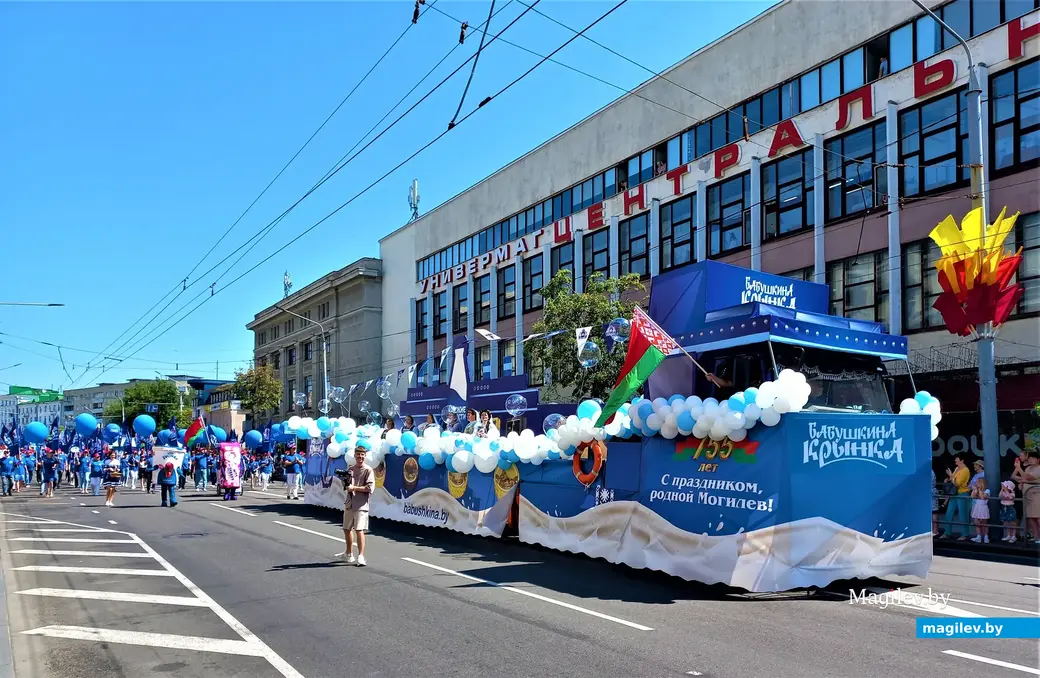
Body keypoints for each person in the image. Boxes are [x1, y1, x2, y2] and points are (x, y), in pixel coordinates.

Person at [338, 441, 375, 566]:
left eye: (362, 455)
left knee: (359, 530)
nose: (360, 457)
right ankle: (348, 554)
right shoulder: (350, 469)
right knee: (346, 529)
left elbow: (370, 488)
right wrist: (345, 482)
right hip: (349, 503)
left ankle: (361, 556)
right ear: (355, 456)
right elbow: (345, 485)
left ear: (365, 456)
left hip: (361, 505)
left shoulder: (368, 470)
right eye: (358, 455)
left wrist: (354, 488)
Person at [941, 455, 971, 539]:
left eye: (957, 460)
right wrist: (948, 479)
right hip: (954, 493)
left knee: (963, 514)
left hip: (962, 493)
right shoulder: (956, 468)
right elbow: (953, 480)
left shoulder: (965, 470)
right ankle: (947, 532)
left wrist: (951, 475)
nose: (955, 461)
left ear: (962, 460)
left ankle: (965, 534)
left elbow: (957, 483)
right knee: (949, 513)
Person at [970, 477, 990, 543]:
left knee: (984, 522)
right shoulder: (976, 489)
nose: (976, 484)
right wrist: (975, 490)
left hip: (983, 507)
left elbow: (982, 497)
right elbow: (972, 496)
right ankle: (978, 536)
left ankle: (986, 537)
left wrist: (980, 490)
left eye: (977, 482)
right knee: (976, 522)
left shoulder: (987, 490)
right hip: (977, 507)